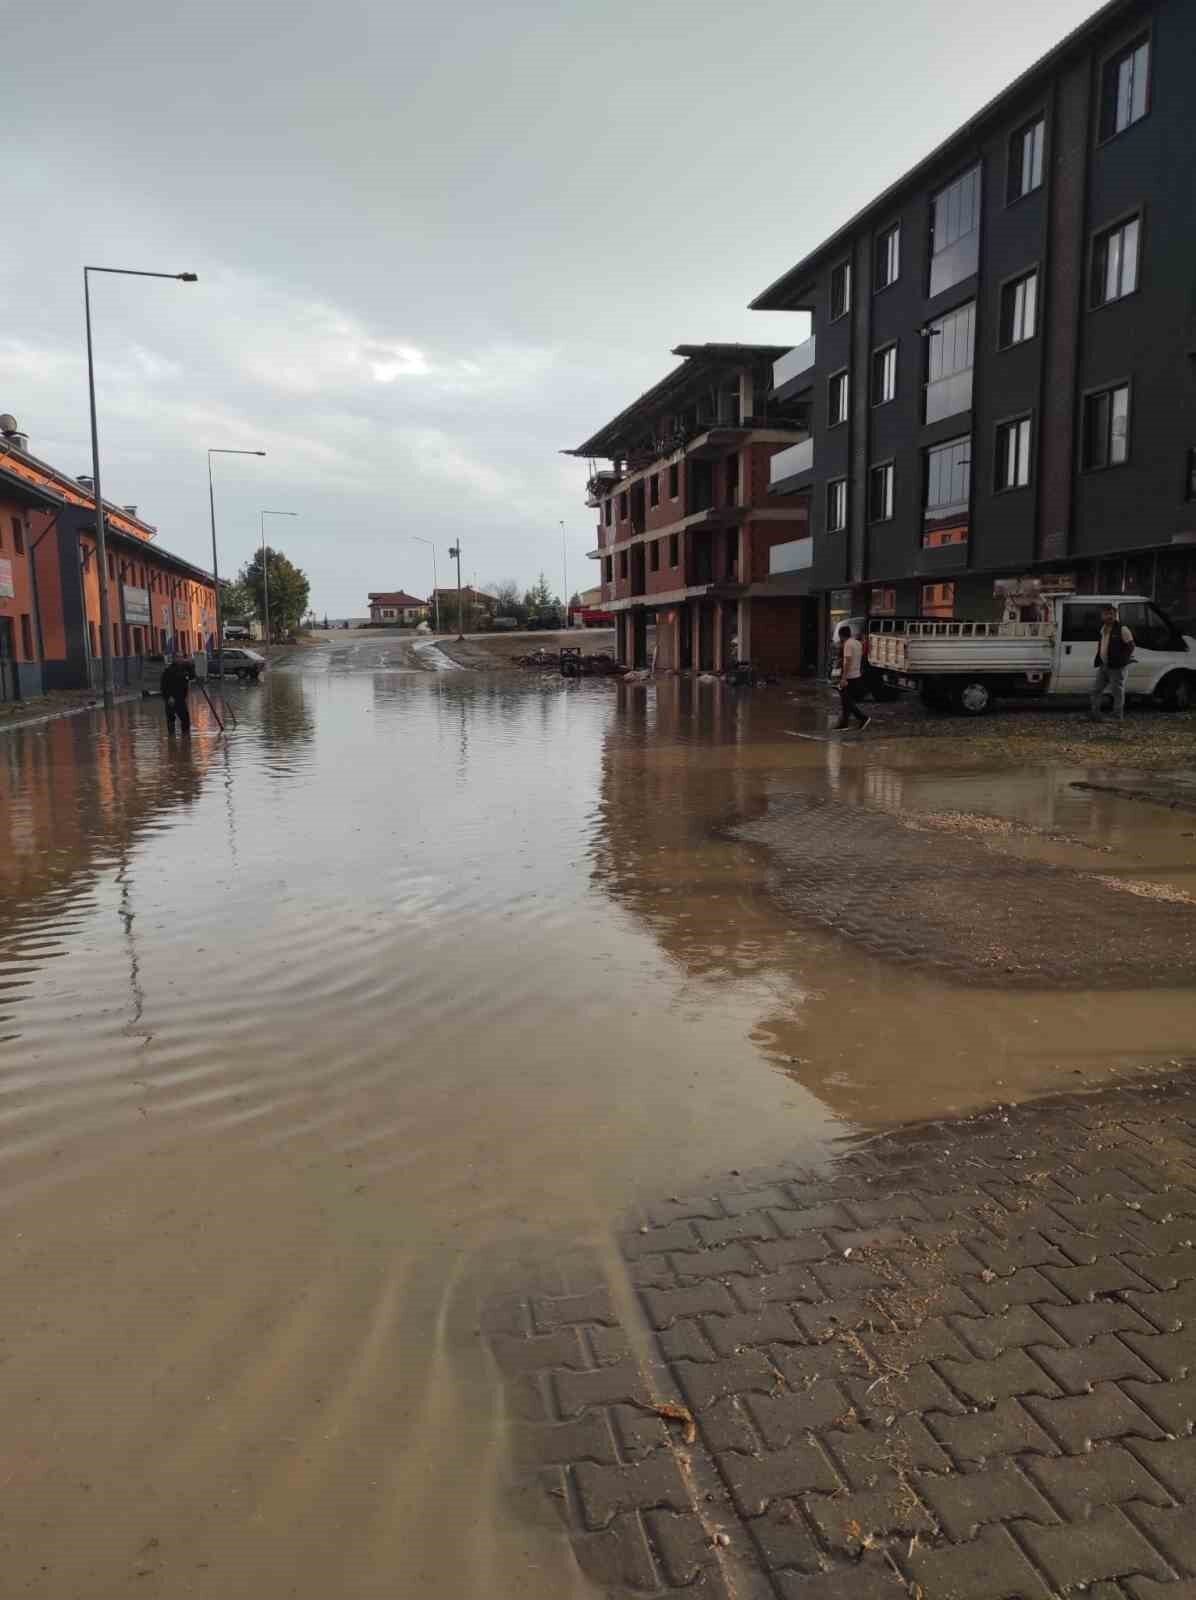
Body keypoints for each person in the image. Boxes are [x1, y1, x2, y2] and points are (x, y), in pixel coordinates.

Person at [1091, 605, 1134, 721]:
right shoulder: (1103, 628)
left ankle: (1117, 716)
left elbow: (1130, 647)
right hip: (1104, 665)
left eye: (1111, 614)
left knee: (1117, 692)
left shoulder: (1123, 629)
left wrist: (1121, 661)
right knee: (1096, 690)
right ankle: (1095, 714)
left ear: (1115, 615)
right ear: (1102, 616)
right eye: (1106, 614)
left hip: (1116, 667)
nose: (1108, 616)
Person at [835, 623, 870, 732]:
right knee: (846, 701)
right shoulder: (857, 643)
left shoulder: (848, 644)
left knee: (846, 701)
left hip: (849, 677)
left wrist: (844, 678)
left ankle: (863, 718)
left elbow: (847, 661)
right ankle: (844, 724)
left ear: (841, 636)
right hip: (856, 675)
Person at [160, 656, 192, 735]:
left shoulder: (184, 669)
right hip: (171, 699)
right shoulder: (168, 671)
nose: (180, 659)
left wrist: (191, 665)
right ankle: (171, 739)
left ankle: (185, 739)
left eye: (181, 657)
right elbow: (163, 686)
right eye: (178, 657)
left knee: (185, 719)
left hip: (181, 699)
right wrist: (168, 697)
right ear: (174, 659)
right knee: (171, 719)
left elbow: (192, 676)